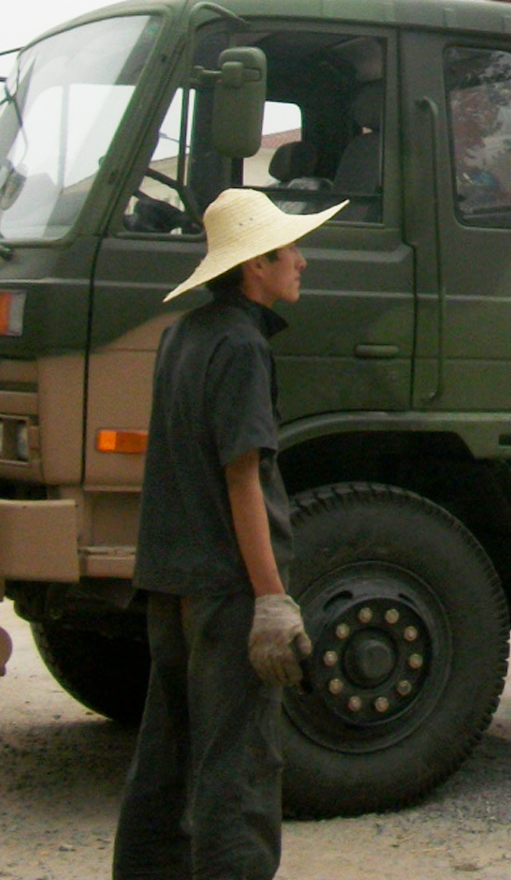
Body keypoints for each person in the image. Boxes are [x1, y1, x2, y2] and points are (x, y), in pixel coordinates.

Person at [114, 186, 342, 880]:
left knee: (168, 754)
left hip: (171, 577)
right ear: (256, 268)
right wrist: (271, 600)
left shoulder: (184, 334)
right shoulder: (243, 347)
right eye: (289, 251)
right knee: (239, 767)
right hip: (226, 587)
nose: (301, 262)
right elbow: (244, 479)